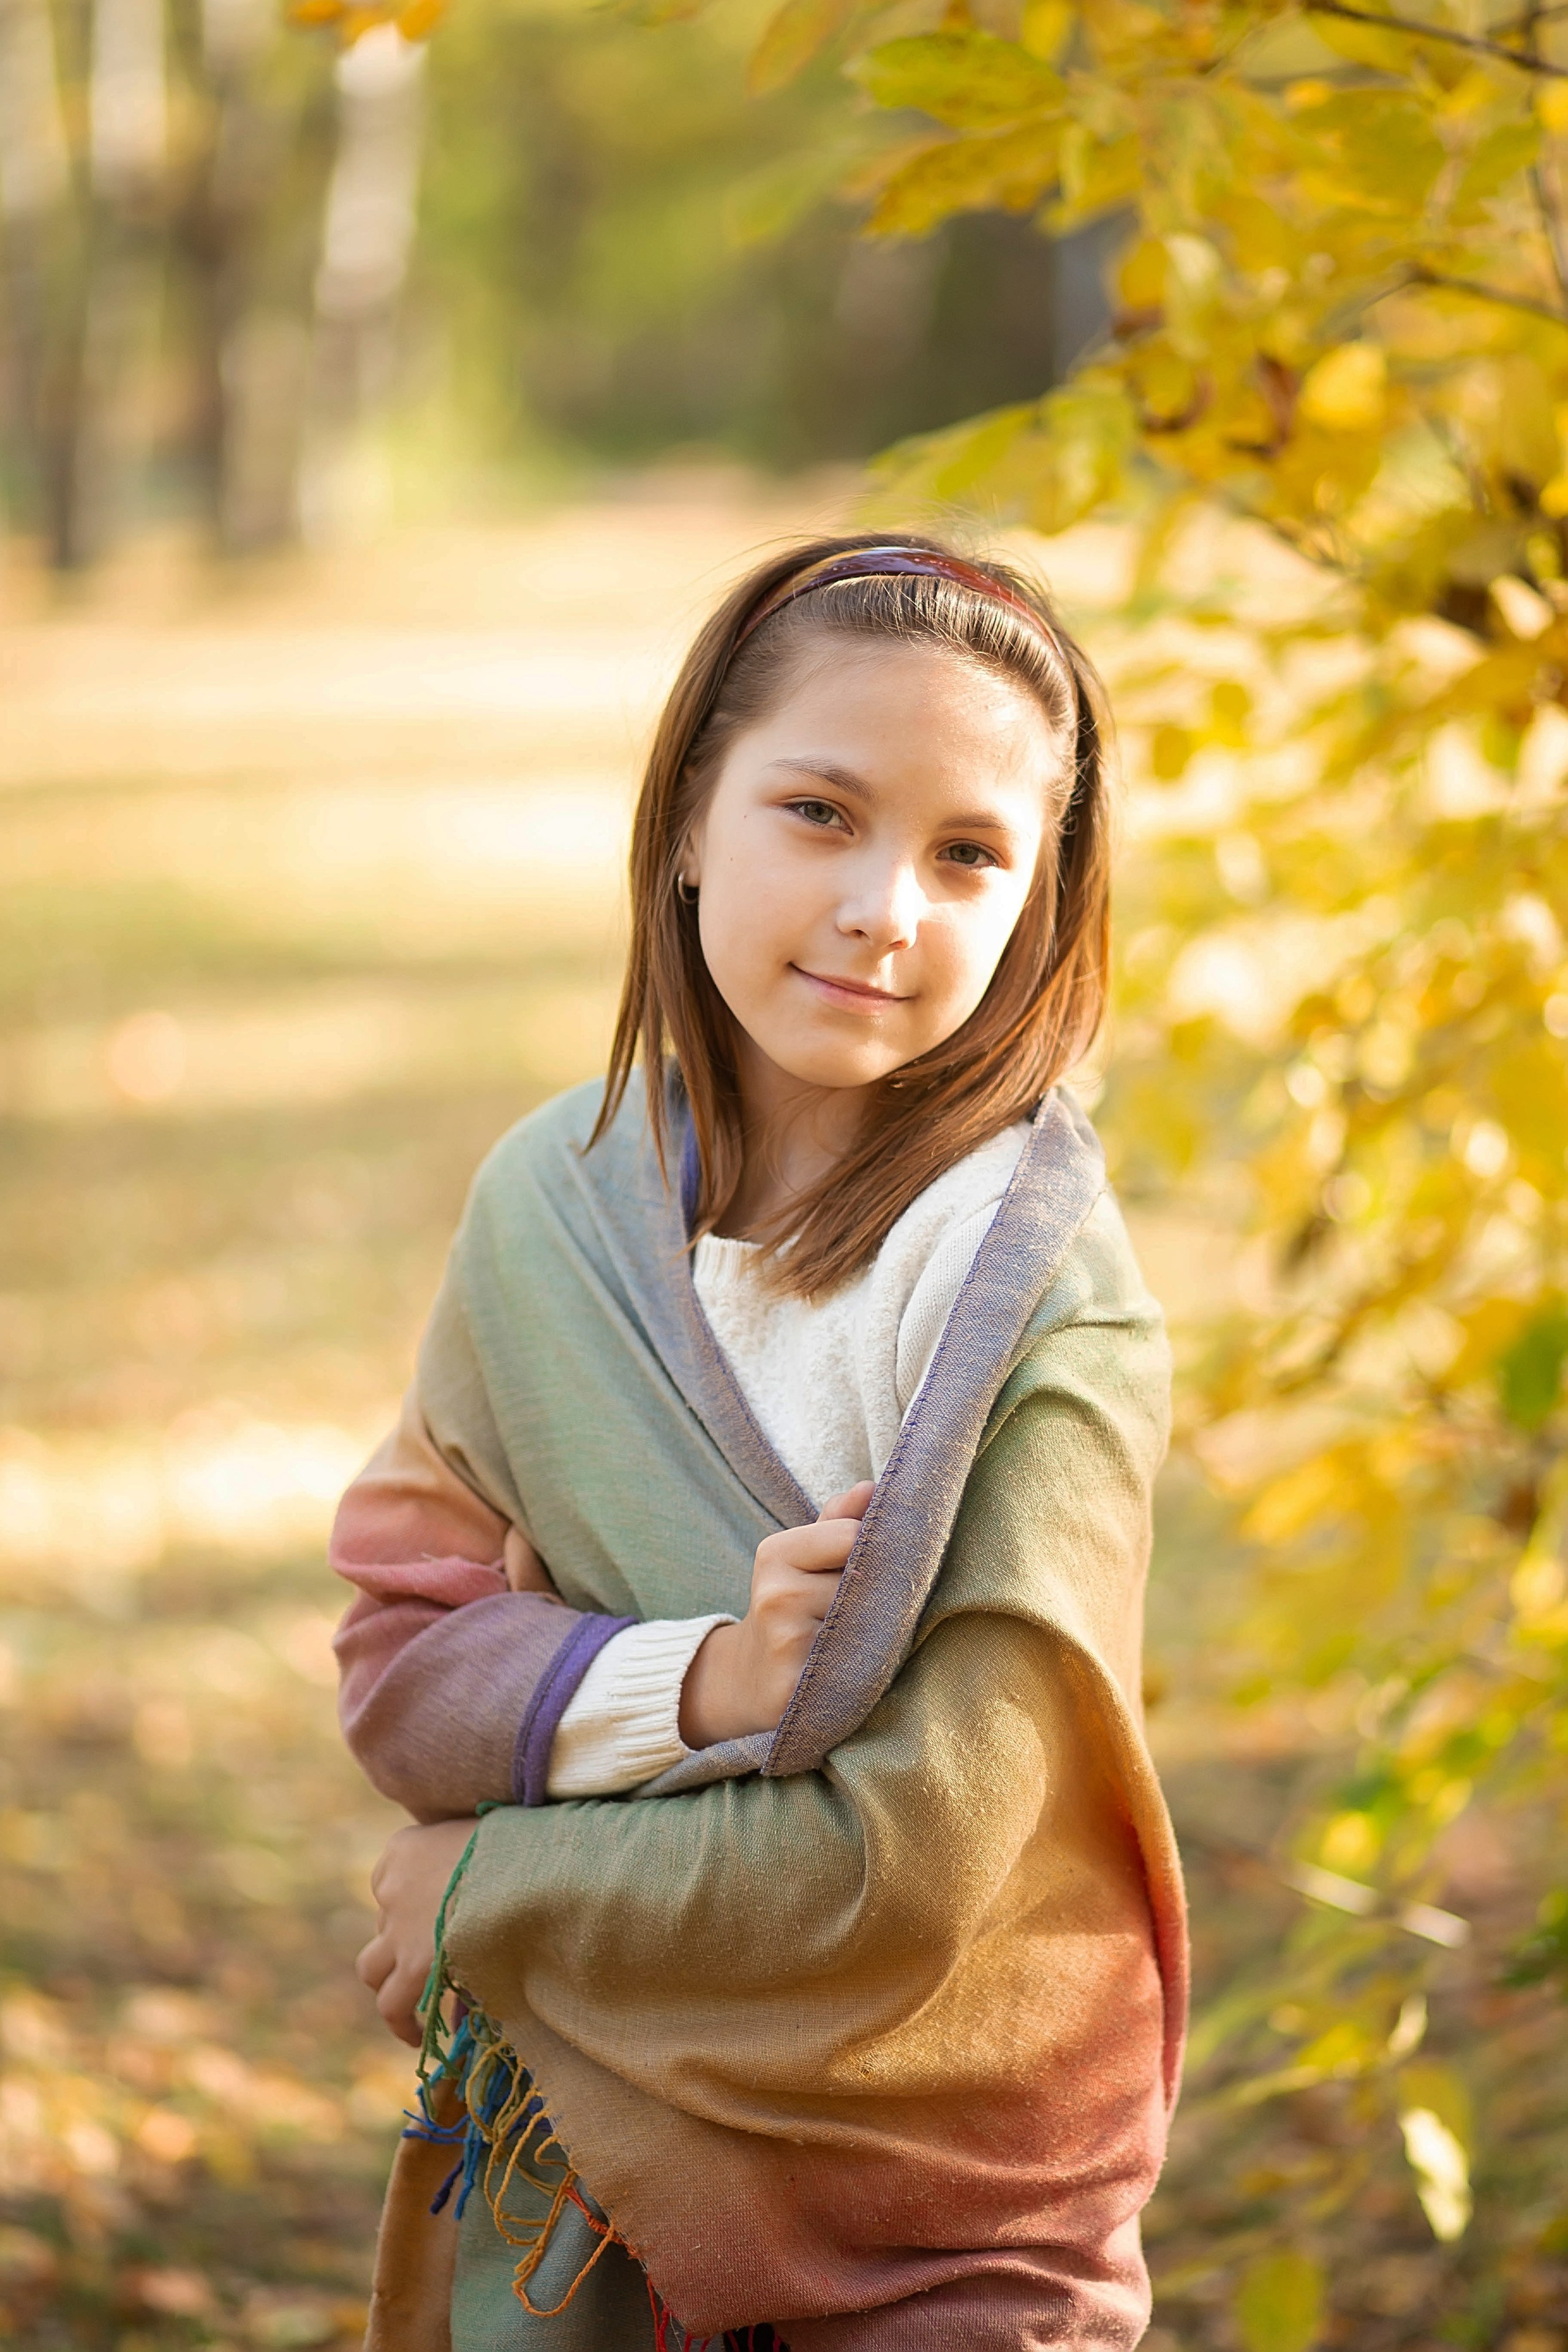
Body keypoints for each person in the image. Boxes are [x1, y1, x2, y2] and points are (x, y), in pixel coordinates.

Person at [331, 534, 1187, 2351]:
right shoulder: (554, 1206)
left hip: (942, 2212)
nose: (890, 902)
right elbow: (404, 1678)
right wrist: (703, 1686)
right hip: (576, 2170)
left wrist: (490, 1879)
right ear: (690, 823)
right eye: (821, 811)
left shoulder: (1037, 1300)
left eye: (971, 854)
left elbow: (919, 1872)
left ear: (1040, 901)